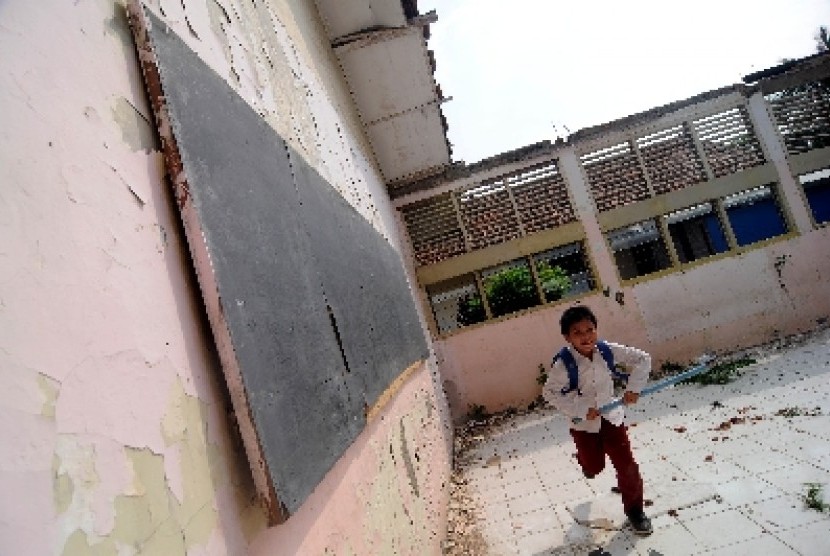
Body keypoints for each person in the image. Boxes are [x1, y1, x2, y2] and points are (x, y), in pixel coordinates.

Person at [542, 305, 653, 536]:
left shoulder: (606, 350)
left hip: (612, 419)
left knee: (627, 466)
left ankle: (635, 512)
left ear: (596, 330)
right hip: (584, 426)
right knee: (595, 466)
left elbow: (643, 359)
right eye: (578, 332)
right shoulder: (563, 364)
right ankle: (586, 463)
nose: (585, 336)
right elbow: (550, 393)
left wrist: (633, 388)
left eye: (589, 330)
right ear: (567, 337)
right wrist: (582, 409)